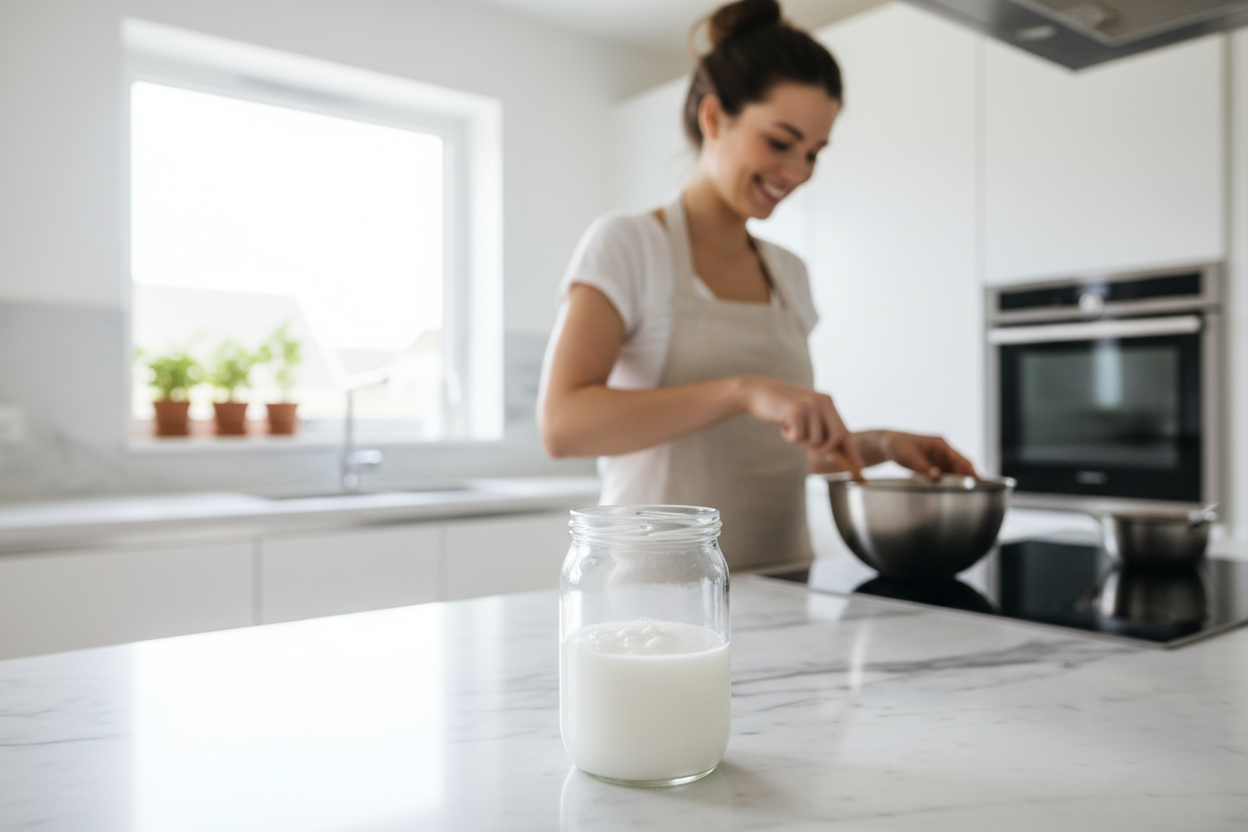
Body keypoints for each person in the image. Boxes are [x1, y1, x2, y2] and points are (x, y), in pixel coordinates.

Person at [538, 0, 975, 572]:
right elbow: (563, 426)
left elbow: (769, 454)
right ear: (715, 118)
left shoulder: (789, 273)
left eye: (813, 153)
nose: (796, 173)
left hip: (785, 580)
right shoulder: (628, 244)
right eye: (780, 142)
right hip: (661, 598)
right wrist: (741, 390)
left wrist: (883, 445)